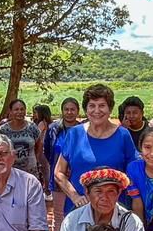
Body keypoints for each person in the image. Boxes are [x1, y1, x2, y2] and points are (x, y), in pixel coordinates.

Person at [54, 83, 138, 214]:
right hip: (79, 209)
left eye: (102, 105)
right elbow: (59, 173)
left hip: (113, 209)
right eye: (92, 106)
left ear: (110, 109)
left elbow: (134, 172)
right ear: (86, 109)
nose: (97, 111)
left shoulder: (123, 135)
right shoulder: (74, 134)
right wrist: (74, 196)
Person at [44, 97, 81, 225]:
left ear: (78, 111)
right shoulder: (53, 129)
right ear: (62, 111)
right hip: (58, 179)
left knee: (77, 213)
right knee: (58, 215)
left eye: (72, 109)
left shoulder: (83, 130)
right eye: (66, 109)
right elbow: (47, 151)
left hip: (77, 178)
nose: (69, 112)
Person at [0, 98, 43, 175]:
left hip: (30, 171)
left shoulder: (32, 127)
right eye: (16, 109)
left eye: (22, 109)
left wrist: (36, 158)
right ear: (10, 111)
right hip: (10, 171)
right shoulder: (3, 130)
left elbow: (39, 144)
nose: (19, 112)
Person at [32, 104, 53, 192]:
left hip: (41, 148)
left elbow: (36, 135)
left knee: (44, 169)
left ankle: (47, 187)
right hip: (47, 147)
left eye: (36, 112)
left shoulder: (41, 123)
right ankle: (47, 186)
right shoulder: (50, 123)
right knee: (46, 168)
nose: (35, 114)